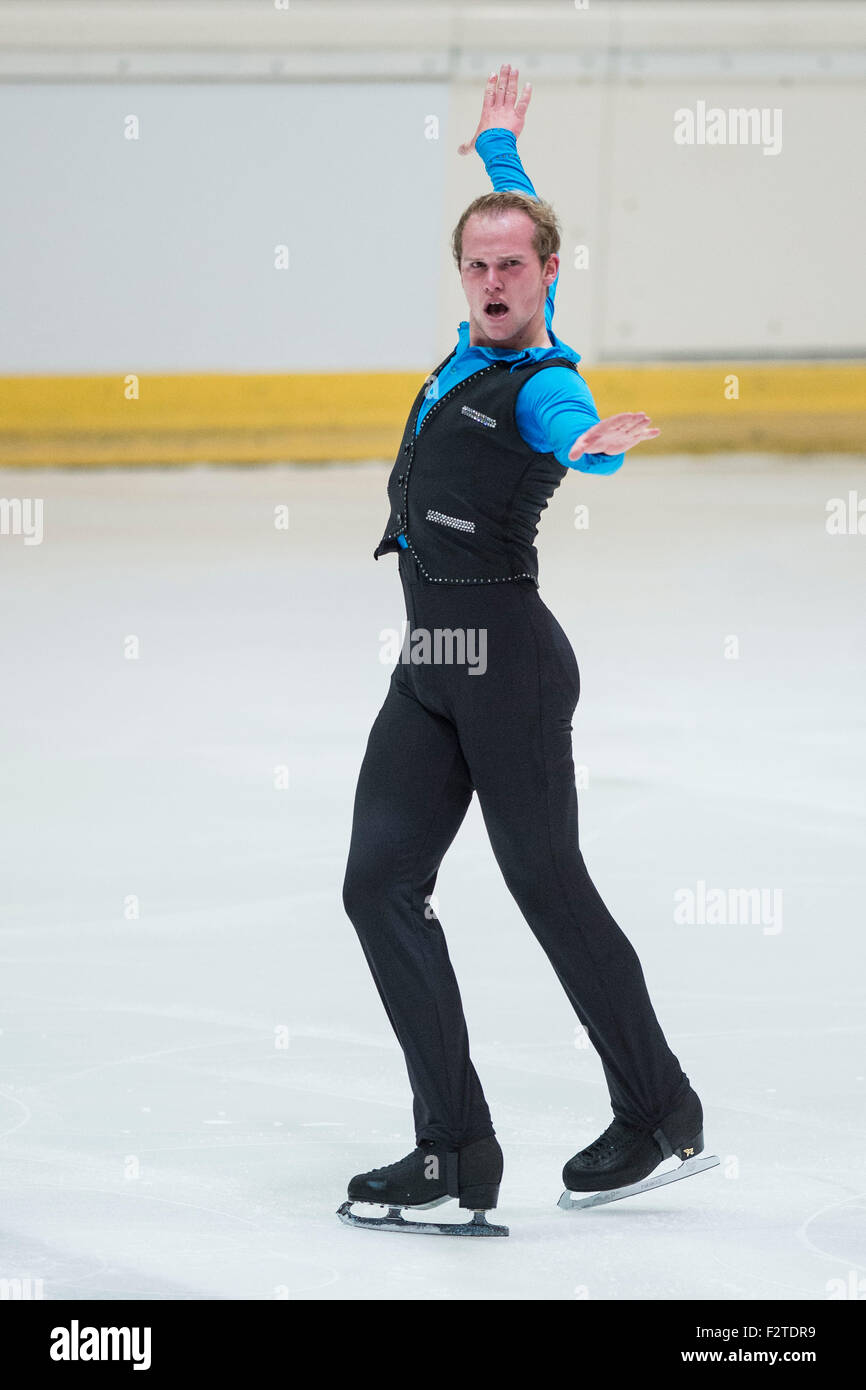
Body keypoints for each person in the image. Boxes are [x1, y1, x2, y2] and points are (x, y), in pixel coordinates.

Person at [339, 65, 706, 1234]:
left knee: (546, 885)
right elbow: (514, 207)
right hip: (431, 656)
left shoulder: (543, 384)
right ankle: (454, 1149)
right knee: (377, 883)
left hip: (507, 662)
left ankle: (657, 1109)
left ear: (550, 276)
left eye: (515, 266)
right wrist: (499, 149)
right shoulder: (473, 335)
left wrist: (594, 445)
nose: (495, 280)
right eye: (478, 264)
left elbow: (573, 437)